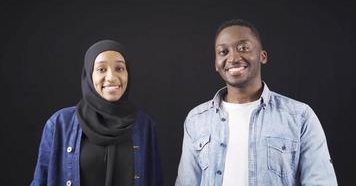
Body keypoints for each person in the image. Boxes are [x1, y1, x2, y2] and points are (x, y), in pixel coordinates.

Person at [175, 19, 337, 186]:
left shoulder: (299, 116)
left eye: (243, 48)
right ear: (216, 64)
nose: (233, 58)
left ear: (262, 56)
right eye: (223, 52)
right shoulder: (196, 120)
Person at [31, 40, 162, 186]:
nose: (112, 77)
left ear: (128, 73)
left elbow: (155, 181)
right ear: (89, 75)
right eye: (101, 69)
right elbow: (40, 181)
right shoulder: (60, 123)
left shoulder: (145, 126)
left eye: (119, 68)